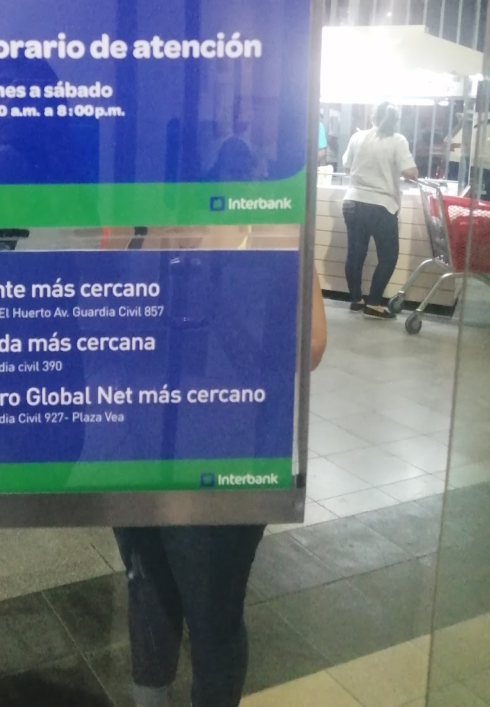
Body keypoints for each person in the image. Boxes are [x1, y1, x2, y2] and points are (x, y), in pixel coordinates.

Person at [114, 270, 327, 707]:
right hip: (141, 447)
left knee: (212, 612)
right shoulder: (137, 229)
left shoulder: (268, 235)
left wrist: (219, 309)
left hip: (226, 458)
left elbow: (311, 345)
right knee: (146, 589)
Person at [342, 101, 418, 319]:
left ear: (373, 117)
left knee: (355, 254)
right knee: (388, 256)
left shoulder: (357, 137)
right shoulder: (398, 140)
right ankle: (374, 303)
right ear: (396, 119)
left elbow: (347, 166)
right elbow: (411, 173)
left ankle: (356, 300)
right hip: (381, 206)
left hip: (353, 202)